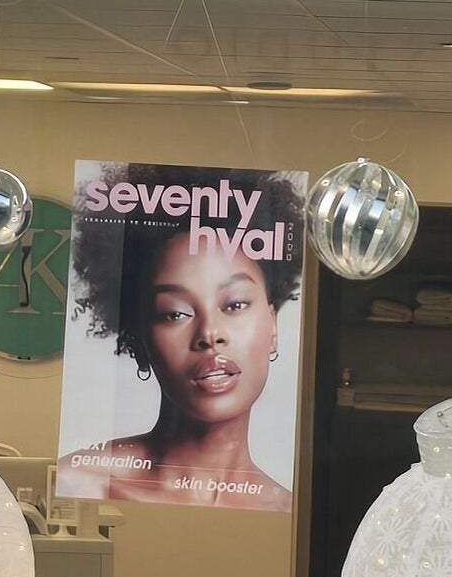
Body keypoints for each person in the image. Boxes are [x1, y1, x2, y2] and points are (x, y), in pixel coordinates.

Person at [56, 166, 306, 511]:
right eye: (174, 313)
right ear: (138, 339)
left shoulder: (287, 512)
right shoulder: (82, 483)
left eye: (234, 304)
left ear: (273, 327)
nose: (209, 334)